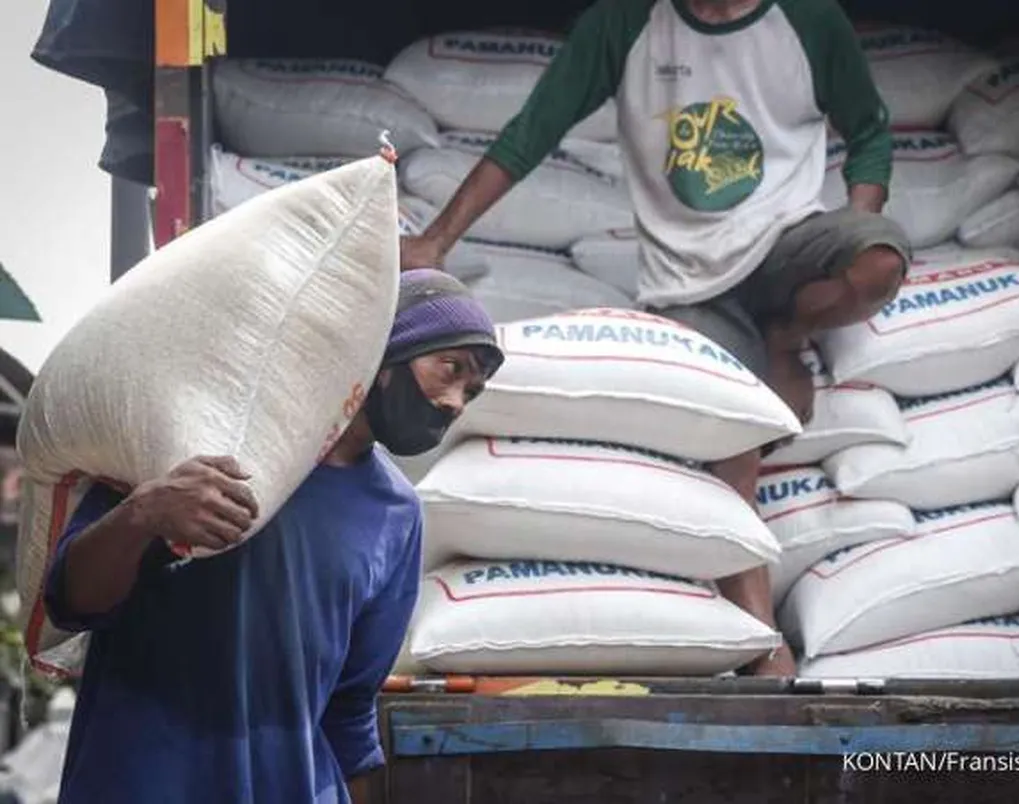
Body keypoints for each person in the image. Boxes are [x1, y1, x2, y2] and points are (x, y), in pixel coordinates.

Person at [400, 0, 911, 675]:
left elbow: (871, 131)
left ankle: (786, 334)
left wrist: (853, 219)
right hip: (691, 280)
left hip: (789, 243)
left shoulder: (808, 20)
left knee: (877, 258)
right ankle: (762, 642)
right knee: (729, 431)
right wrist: (438, 239)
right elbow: (534, 130)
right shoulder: (623, 24)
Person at [43, 270, 504, 803]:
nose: (455, 402)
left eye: (472, 389)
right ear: (385, 350)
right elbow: (70, 600)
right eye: (450, 369)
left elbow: (349, 710)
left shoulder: (396, 515)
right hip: (146, 783)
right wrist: (145, 512)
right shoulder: (190, 441)